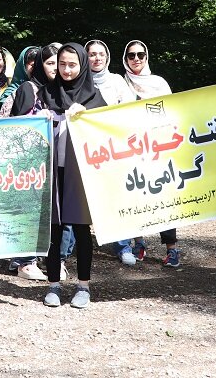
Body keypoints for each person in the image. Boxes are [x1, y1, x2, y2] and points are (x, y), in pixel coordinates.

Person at [40, 43, 107, 308]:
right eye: (62, 64)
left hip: (82, 173)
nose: (66, 70)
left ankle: (83, 286)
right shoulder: (46, 93)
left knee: (81, 229)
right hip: (53, 170)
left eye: (72, 64)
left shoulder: (94, 97)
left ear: (82, 65)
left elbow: (107, 130)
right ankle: (53, 285)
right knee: (54, 229)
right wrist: (39, 117)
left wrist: (87, 116)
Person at [122, 40, 180, 267]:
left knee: (164, 198)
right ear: (125, 58)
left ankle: (172, 249)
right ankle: (139, 242)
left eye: (140, 54)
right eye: (131, 55)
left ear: (147, 57)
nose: (136, 59)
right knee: (135, 195)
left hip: (158, 148)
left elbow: (170, 112)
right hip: (131, 149)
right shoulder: (122, 84)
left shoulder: (159, 83)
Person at [5, 44, 54, 281]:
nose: (55, 67)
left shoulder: (54, 89)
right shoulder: (28, 87)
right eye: (49, 62)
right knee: (29, 210)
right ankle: (24, 262)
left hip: (50, 160)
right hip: (29, 161)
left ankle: (43, 258)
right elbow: (18, 124)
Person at [85, 39, 136, 265]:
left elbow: (128, 109)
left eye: (100, 54)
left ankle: (123, 246)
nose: (97, 58)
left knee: (116, 196)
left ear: (107, 57)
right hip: (86, 149)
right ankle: (74, 247)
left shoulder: (117, 81)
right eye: (92, 54)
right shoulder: (79, 81)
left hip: (113, 149)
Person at [0, 46, 40, 117]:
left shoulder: (48, 88)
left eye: (38, 65)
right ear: (23, 67)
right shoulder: (10, 93)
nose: (36, 69)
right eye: (32, 65)